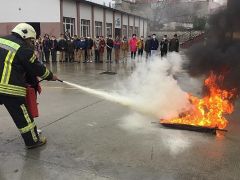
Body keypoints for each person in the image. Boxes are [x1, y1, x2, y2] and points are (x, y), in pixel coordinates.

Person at [0, 23, 59, 149]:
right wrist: (51, 76)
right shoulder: (23, 49)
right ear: (24, 35)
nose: (31, 42)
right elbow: (37, 68)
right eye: (30, 40)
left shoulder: (1, 40)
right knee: (23, 117)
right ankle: (32, 141)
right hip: (10, 88)